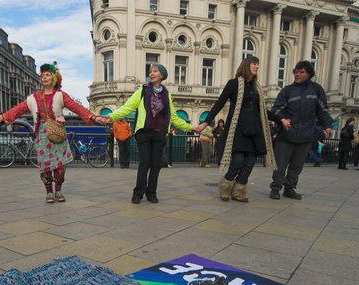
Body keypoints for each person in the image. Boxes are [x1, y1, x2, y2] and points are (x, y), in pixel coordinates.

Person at [0, 62, 98, 203]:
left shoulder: (61, 95)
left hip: (58, 134)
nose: (44, 77)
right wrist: (3, 117)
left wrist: (92, 116)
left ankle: (58, 190)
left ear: (54, 77)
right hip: (42, 136)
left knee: (60, 166)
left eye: (47, 75)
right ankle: (49, 192)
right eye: (42, 75)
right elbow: (18, 109)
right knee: (45, 167)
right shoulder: (33, 97)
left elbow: (76, 107)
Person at [103, 64, 203, 204]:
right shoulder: (142, 91)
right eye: (150, 71)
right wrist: (111, 117)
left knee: (156, 164)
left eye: (155, 71)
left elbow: (173, 117)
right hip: (144, 132)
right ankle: (138, 193)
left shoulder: (166, 94)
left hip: (159, 134)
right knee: (145, 163)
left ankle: (151, 192)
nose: (151, 73)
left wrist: (190, 127)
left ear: (162, 75)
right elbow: (127, 107)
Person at [202, 56, 289, 202]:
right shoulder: (233, 84)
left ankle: (239, 192)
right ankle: (226, 188)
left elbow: (262, 110)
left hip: (254, 129)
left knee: (250, 162)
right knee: (237, 161)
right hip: (238, 129)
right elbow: (219, 103)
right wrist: (206, 122)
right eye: (254, 64)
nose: (257, 67)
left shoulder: (257, 88)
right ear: (246, 65)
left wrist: (280, 119)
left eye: (258, 65)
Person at [269, 60, 334, 200]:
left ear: (309, 74)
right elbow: (277, 109)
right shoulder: (287, 90)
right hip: (286, 134)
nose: (297, 74)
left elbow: (322, 110)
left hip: (306, 134)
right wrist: (282, 119)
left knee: (297, 165)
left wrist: (328, 125)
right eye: (295, 72)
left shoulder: (316, 90)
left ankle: (289, 188)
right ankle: (275, 188)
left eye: (301, 72)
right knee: (280, 165)